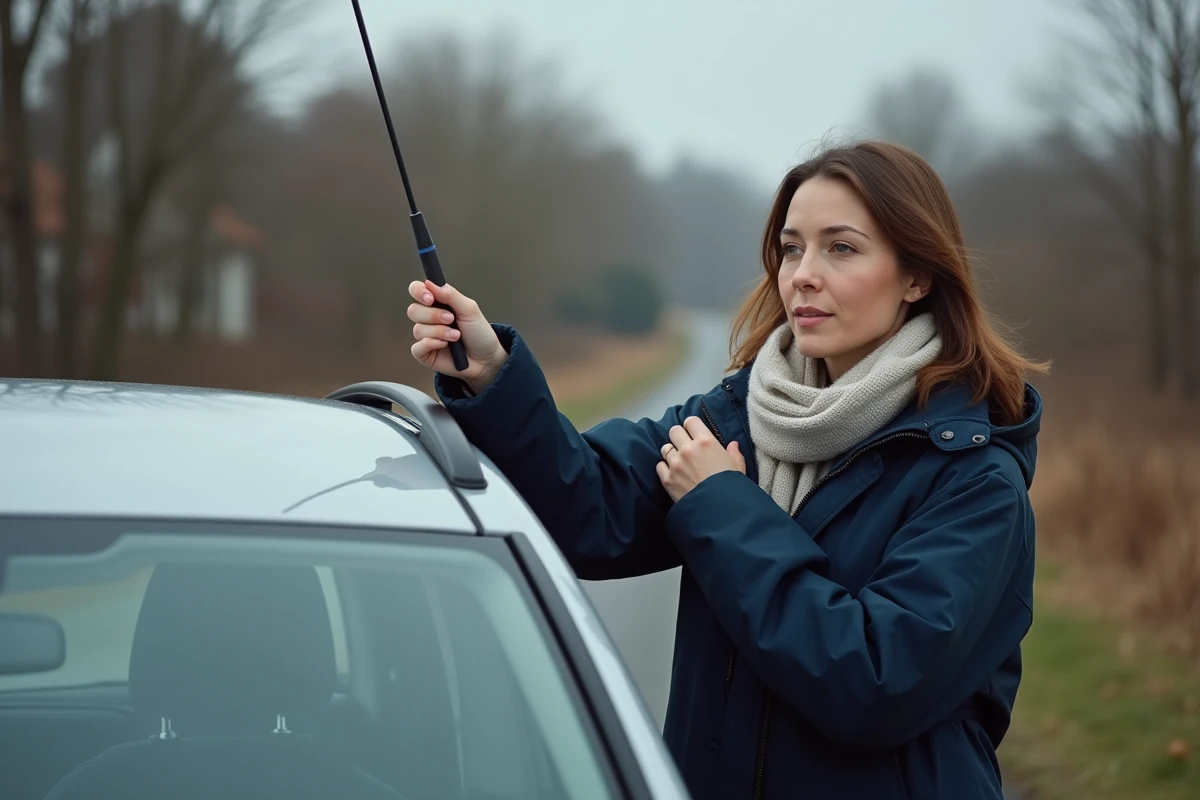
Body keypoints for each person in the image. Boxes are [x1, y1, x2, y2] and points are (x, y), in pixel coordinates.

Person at [406, 139, 1046, 800]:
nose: (803, 274)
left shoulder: (972, 480)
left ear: (917, 276)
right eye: (792, 247)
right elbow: (587, 509)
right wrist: (494, 377)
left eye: (842, 248)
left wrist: (721, 503)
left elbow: (872, 681)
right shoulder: (741, 416)